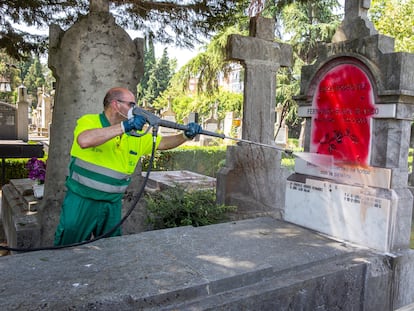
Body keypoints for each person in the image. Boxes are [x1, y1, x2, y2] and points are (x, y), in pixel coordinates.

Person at [54, 87, 202, 246]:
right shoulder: (90, 121)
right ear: (115, 104)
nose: (135, 109)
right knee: (68, 247)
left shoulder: (136, 135)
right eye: (131, 104)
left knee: (111, 250)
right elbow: (84, 140)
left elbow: (164, 143)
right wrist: (125, 126)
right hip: (81, 201)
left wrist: (185, 136)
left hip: (111, 204)